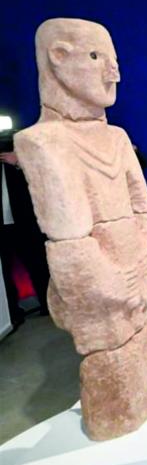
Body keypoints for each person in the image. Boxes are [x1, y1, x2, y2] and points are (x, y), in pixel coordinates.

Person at [0, 140, 50, 329]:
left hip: (25, 220)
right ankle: (11, 313)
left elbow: (42, 177)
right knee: (4, 271)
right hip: (3, 226)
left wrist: (19, 163)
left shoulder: (18, 149)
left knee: (36, 262)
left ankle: (48, 303)